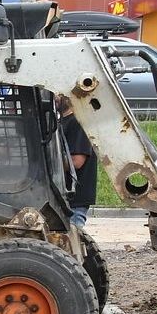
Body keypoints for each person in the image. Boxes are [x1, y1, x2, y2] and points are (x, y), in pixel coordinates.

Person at [58, 97, 97, 228]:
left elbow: (76, 162)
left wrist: (45, 166)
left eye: (58, 93)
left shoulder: (78, 122)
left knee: (71, 241)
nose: (55, 97)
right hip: (64, 199)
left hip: (74, 200)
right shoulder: (61, 122)